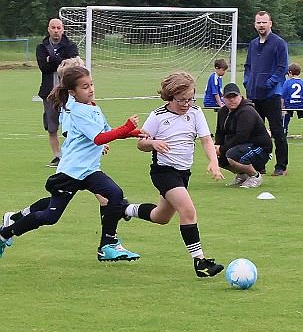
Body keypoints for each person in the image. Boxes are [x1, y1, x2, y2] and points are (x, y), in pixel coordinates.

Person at [0, 66, 153, 261]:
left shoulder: (94, 107)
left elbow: (107, 131)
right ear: (72, 92)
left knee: (115, 194)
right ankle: (5, 233)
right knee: (50, 216)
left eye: (91, 84)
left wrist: (133, 132)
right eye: (84, 87)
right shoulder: (78, 111)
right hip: (70, 173)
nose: (90, 89)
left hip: (89, 171)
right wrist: (126, 128)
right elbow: (99, 138)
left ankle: (107, 245)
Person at [135, 71, 225, 278]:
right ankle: (201, 262)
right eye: (181, 100)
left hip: (183, 173)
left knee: (161, 217)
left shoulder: (195, 112)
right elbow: (140, 143)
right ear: (169, 96)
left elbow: (205, 139)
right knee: (188, 211)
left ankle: (124, 209)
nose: (186, 104)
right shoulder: (157, 116)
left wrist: (213, 161)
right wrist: (153, 143)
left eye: (190, 99)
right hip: (163, 172)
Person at [244, 11, 289, 176]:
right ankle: (259, 165)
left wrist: (270, 83)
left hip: (271, 95)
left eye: (264, 22)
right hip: (254, 94)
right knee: (256, 132)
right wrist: (247, 81)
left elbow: (282, 67)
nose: (261, 25)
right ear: (255, 24)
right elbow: (248, 65)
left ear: (270, 23)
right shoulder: (253, 44)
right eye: (258, 22)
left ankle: (281, 166)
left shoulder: (279, 43)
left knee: (277, 131)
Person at [36, 18, 79, 168]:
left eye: (58, 28)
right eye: (53, 27)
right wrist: (59, 61)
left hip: (69, 92)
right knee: (52, 126)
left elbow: (71, 66)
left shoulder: (70, 45)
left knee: (72, 124)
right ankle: (58, 157)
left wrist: (53, 59)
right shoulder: (42, 47)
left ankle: (72, 155)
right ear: (48, 29)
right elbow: (44, 67)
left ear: (63, 29)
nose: (56, 30)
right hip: (49, 93)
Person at [214, 83, 272, 188]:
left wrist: (222, 149)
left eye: (234, 96)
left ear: (240, 96)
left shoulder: (247, 111)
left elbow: (241, 137)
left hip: (260, 149)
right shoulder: (222, 111)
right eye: (228, 97)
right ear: (223, 99)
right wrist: (217, 146)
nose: (232, 100)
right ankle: (243, 176)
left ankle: (255, 176)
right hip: (242, 147)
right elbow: (220, 132)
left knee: (231, 155)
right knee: (217, 157)